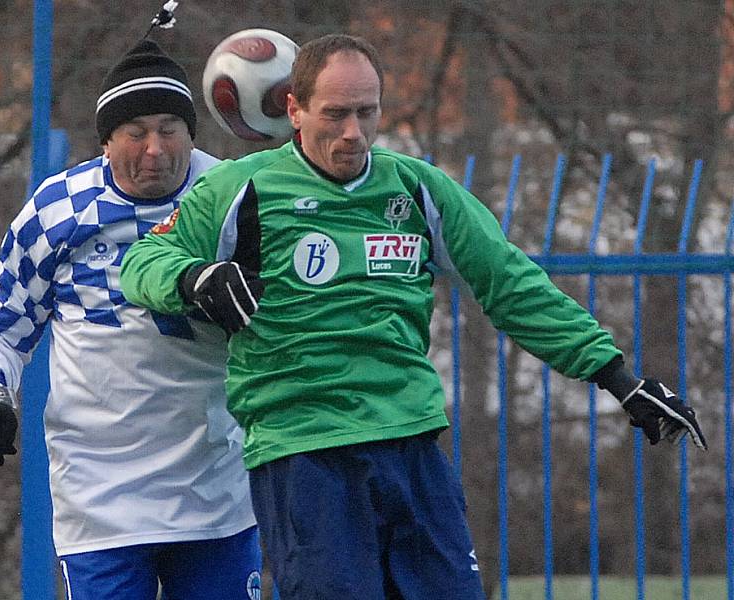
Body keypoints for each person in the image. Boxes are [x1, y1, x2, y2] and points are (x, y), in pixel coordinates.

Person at [119, 34, 707, 600]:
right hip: (303, 454)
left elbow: (509, 281)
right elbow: (143, 261)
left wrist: (616, 376)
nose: (354, 133)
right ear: (293, 110)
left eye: (367, 113)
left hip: (412, 444)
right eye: (336, 114)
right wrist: (194, 279)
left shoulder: (415, 188)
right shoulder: (240, 189)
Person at [0, 38, 262, 600]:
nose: (154, 150)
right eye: (136, 132)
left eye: (170, 128)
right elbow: (1, 322)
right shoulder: (58, 210)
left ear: (192, 132)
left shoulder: (234, 197)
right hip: (101, 499)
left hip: (217, 492)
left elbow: (282, 319)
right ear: (105, 141)